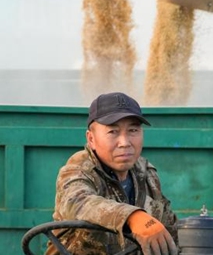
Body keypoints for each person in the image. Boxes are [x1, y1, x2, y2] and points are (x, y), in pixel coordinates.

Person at [47, 92, 178, 255]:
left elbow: (169, 228)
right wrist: (134, 217)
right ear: (91, 139)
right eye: (113, 132)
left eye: (133, 130)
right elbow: (78, 202)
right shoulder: (78, 169)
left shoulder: (146, 174)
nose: (124, 142)